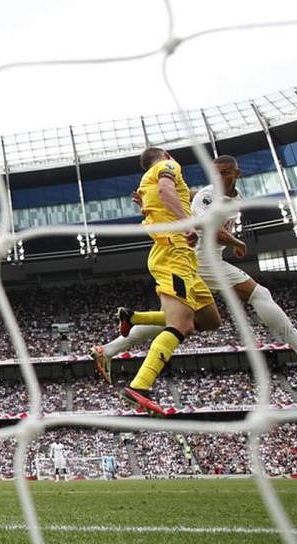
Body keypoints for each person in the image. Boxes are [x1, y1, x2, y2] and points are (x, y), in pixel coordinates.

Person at [91, 155, 297, 382]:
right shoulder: (209, 195)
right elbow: (209, 228)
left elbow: (192, 198)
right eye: (215, 174)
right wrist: (237, 242)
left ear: (237, 174)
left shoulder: (230, 197)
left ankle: (110, 348)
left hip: (201, 262)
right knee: (259, 294)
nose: (219, 179)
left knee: (182, 321)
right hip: (202, 261)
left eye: (225, 174)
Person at [104, 148, 222, 415]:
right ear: (166, 154)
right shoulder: (168, 167)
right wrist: (186, 225)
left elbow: (162, 200)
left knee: (210, 320)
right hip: (174, 253)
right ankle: (139, 386)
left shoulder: (146, 183)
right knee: (181, 325)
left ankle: (133, 318)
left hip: (184, 259)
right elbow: (168, 193)